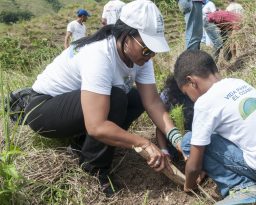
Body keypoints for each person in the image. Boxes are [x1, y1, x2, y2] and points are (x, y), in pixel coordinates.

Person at [24, 0, 182, 196]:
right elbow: (96, 125)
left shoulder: (141, 58)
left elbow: (152, 102)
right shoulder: (99, 54)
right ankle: (94, 168)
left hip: (77, 107)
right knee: (116, 97)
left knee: (135, 98)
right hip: (44, 110)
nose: (150, 55)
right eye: (147, 49)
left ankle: (85, 143)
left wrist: (176, 138)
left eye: (154, 50)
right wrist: (143, 143)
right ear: (126, 36)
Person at [171, 50, 256, 204]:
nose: (190, 98)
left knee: (189, 140)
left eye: (186, 92)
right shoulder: (237, 82)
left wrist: (188, 186)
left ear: (191, 82)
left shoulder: (205, 103)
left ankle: (242, 186)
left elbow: (194, 166)